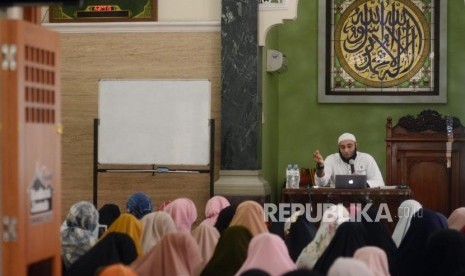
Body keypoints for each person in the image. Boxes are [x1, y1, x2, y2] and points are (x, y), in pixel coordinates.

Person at [313, 133, 384, 188]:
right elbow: (321, 183)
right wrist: (320, 167)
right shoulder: (331, 159)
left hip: (363, 199)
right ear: (339, 148)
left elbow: (379, 182)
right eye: (342, 147)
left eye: (349, 146)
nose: (346, 150)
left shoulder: (367, 158)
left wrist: (362, 183)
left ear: (356, 145)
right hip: (336, 200)